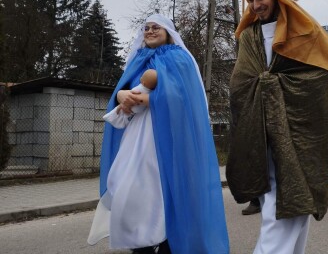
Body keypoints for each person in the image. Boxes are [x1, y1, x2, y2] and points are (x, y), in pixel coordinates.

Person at [87, 14, 229, 253]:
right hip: (136, 137)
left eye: (156, 28)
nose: (150, 31)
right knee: (128, 187)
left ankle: (167, 243)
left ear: (168, 33)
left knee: (163, 191)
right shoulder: (137, 58)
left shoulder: (179, 58)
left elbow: (186, 99)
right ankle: (139, 243)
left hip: (167, 137)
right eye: (147, 28)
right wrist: (122, 96)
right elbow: (121, 92)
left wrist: (149, 98)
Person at [227, 0, 328, 254]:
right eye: (251, 0)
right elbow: (241, 82)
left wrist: (275, 86)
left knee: (289, 201)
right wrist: (260, 92)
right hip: (259, 128)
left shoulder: (305, 30)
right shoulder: (250, 36)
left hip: (297, 130)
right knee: (274, 198)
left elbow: (325, 76)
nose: (256, 5)